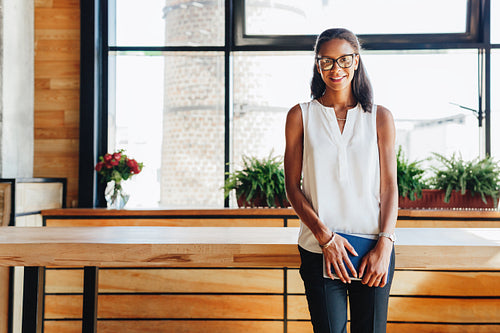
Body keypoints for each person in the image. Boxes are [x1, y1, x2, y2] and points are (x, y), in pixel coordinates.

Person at [284, 28, 398, 333]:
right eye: (327, 61)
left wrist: (385, 245)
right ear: (317, 65)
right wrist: (326, 238)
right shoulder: (301, 115)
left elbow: (389, 189)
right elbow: (292, 187)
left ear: (356, 61)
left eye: (344, 60)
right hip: (320, 248)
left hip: (373, 249)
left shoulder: (380, 117)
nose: (336, 69)